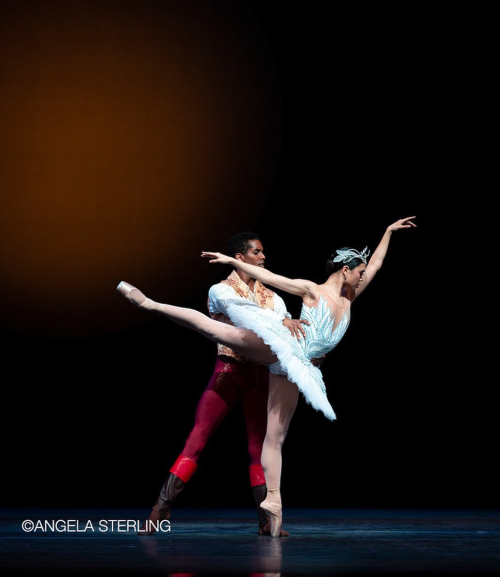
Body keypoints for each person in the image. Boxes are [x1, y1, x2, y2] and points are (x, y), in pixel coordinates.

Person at [117, 216, 416, 536]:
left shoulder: (349, 295)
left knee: (275, 438)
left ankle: (273, 506)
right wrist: (230, 259)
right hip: (271, 354)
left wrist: (387, 232)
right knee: (212, 329)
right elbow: (270, 276)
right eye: (359, 272)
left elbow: (377, 265)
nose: (363, 277)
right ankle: (150, 304)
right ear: (345, 270)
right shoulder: (309, 290)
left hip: (299, 367)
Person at [132, 231, 309, 536]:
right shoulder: (220, 291)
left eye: (263, 252)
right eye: (257, 252)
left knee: (260, 449)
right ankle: (159, 510)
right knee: (197, 441)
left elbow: (286, 334)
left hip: (259, 376)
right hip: (229, 371)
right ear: (240, 258)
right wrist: (281, 323)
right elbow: (246, 318)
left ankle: (266, 520)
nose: (264, 257)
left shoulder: (275, 298)